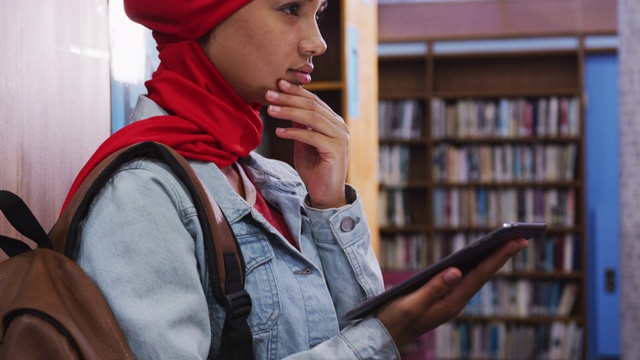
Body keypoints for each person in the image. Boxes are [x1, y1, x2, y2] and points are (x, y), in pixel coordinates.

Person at [60, 0, 528, 358]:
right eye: (290, 9)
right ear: (201, 19)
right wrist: (387, 334)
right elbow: (365, 339)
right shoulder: (142, 193)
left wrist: (329, 205)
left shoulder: (271, 176)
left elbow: (338, 329)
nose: (317, 42)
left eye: (318, 12)